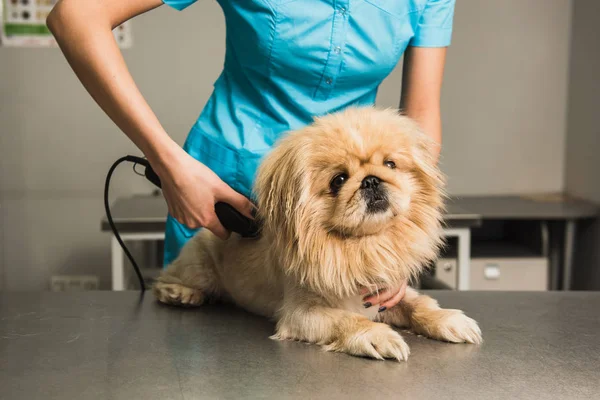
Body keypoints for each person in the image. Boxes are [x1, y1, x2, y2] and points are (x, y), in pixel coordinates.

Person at [47, 0, 456, 311]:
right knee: (196, 362)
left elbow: (421, 113)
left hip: (341, 215)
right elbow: (75, 16)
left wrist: (402, 243)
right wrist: (168, 163)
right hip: (227, 196)